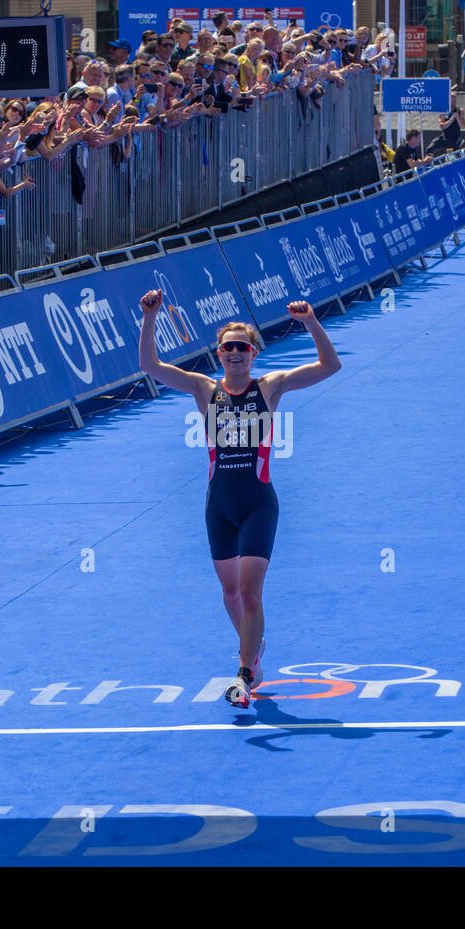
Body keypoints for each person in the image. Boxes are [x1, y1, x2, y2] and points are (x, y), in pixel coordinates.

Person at [137, 290, 341, 708]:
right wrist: (149, 317)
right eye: (228, 347)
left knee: (250, 593)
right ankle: (254, 649)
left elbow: (329, 366)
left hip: (258, 503)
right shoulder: (202, 389)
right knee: (230, 594)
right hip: (219, 507)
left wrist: (311, 323)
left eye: (242, 348)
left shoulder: (269, 387)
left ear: (252, 354)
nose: (235, 354)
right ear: (219, 354)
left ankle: (244, 674)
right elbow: (149, 366)